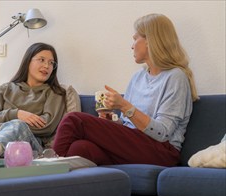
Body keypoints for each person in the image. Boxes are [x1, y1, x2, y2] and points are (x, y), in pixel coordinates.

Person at [52, 13, 199, 167]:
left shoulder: (175, 77)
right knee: (80, 148)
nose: (132, 45)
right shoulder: (138, 77)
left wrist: (124, 106)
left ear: (150, 40)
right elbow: (127, 125)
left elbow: (163, 133)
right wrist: (111, 120)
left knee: (73, 120)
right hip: (134, 146)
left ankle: (45, 173)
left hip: (162, 151)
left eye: (135, 39)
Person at [0, 42, 81, 158]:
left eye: (51, 63)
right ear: (28, 61)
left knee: (19, 126)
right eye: (42, 60)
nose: (46, 66)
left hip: (33, 148)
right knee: (13, 125)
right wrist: (17, 114)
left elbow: (46, 125)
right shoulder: (5, 89)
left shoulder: (55, 92)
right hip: (3, 140)